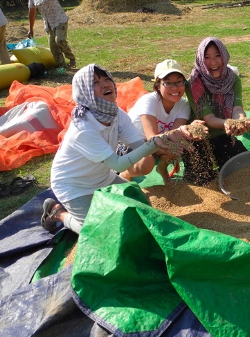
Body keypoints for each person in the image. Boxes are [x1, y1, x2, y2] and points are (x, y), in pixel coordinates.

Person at [41, 64, 199, 234]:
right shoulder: (83, 128)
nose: (105, 84)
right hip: (74, 186)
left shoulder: (115, 114)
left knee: (142, 207)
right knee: (96, 231)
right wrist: (154, 144)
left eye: (107, 79)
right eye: (95, 82)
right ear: (84, 91)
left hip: (102, 177)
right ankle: (58, 213)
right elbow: (118, 165)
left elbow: (140, 145)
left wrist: (172, 136)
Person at [124, 59, 207, 184]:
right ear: (158, 85)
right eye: (168, 83)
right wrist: (173, 146)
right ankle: (125, 174)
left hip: (159, 141)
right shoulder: (149, 101)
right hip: (134, 143)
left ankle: (162, 170)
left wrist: (190, 131)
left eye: (179, 82)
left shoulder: (184, 105)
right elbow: (151, 138)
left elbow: (175, 134)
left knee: (178, 145)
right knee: (147, 163)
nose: (175, 88)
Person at [183, 36, 250, 185]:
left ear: (224, 56)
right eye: (207, 57)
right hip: (200, 138)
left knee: (245, 169)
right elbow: (209, 119)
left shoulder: (232, 79)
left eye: (217, 55)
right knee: (202, 180)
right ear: (201, 59)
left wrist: (240, 121)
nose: (213, 62)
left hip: (223, 134)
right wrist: (228, 123)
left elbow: (237, 108)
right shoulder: (194, 83)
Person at [28, 0, 76, 69]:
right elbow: (32, 12)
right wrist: (31, 29)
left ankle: (71, 58)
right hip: (49, 24)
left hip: (60, 20)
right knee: (53, 46)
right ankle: (63, 67)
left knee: (59, 40)